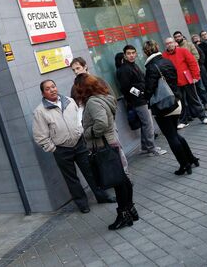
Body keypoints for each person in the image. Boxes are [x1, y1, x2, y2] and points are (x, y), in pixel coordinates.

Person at [32, 80, 115, 213]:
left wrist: (80, 132)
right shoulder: (40, 111)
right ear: (43, 93)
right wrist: (53, 148)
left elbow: (80, 120)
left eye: (53, 86)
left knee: (91, 172)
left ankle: (102, 196)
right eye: (48, 89)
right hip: (61, 150)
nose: (52, 90)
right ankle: (82, 204)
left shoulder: (70, 101)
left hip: (79, 144)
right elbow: (39, 136)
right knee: (72, 179)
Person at [72, 73, 137, 230]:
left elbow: (101, 123)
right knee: (122, 179)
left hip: (104, 145)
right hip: (110, 142)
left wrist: (87, 132)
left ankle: (124, 214)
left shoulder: (93, 102)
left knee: (117, 181)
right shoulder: (103, 96)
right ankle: (130, 210)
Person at [142, 41, 200, 175]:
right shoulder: (167, 61)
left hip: (163, 106)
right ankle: (191, 159)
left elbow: (149, 90)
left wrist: (144, 94)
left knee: (171, 137)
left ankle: (184, 165)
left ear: (146, 52)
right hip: (175, 101)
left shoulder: (151, 67)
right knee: (175, 134)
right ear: (157, 48)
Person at [115, 45, 167, 156]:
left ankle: (145, 147)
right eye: (129, 53)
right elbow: (126, 88)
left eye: (133, 52)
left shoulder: (133, 65)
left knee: (145, 124)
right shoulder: (125, 69)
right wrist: (141, 94)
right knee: (148, 124)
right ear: (124, 55)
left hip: (142, 99)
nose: (131, 55)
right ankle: (152, 148)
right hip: (138, 101)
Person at [162, 37, 207, 129]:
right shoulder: (164, 55)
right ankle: (183, 121)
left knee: (194, 99)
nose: (169, 45)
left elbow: (192, 63)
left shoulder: (183, 51)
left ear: (174, 43)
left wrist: (195, 76)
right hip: (175, 83)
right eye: (167, 43)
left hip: (187, 80)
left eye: (170, 42)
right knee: (180, 103)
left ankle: (203, 117)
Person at [191, 34, 207, 109]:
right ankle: (206, 100)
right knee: (200, 86)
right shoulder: (193, 45)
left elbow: (202, 54)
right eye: (194, 38)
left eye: (196, 37)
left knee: (206, 82)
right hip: (194, 69)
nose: (195, 39)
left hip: (201, 67)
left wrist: (200, 63)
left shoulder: (194, 46)